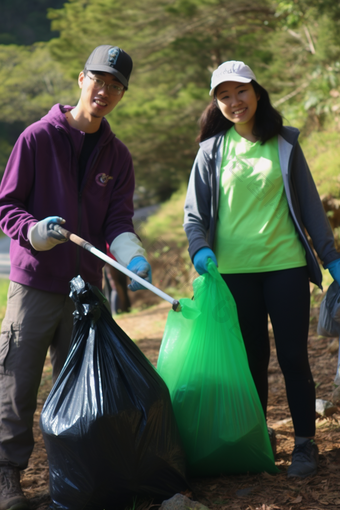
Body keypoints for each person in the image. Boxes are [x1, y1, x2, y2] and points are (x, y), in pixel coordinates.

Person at [0, 44, 152, 510]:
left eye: (115, 85)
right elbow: (7, 206)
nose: (104, 91)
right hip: (34, 285)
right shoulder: (37, 138)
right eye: (98, 80)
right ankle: (7, 479)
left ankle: (79, 477)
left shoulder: (117, 156)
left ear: (123, 93)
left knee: (84, 390)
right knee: (16, 385)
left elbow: (118, 221)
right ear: (80, 79)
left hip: (84, 290)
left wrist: (130, 252)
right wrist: (33, 232)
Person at [183, 60, 340, 479]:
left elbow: (310, 207)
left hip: (285, 267)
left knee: (293, 358)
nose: (234, 102)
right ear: (216, 103)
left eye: (241, 92)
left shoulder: (285, 144)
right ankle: (259, 438)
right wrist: (199, 250)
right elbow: (193, 216)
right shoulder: (211, 151)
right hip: (233, 274)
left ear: (257, 92)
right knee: (250, 360)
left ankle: (305, 444)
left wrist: (333, 261)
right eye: (224, 95)